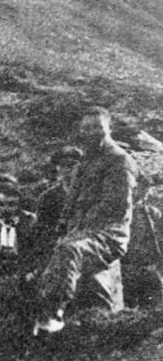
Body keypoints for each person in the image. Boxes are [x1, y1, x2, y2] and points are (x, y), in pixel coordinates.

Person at [34, 107, 137, 333]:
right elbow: (70, 204)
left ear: (109, 128)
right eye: (86, 128)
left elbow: (115, 207)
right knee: (55, 257)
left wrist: (77, 231)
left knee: (70, 250)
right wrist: (62, 228)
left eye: (97, 127)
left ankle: (53, 315)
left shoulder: (120, 161)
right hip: (82, 233)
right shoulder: (85, 162)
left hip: (109, 234)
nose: (92, 132)